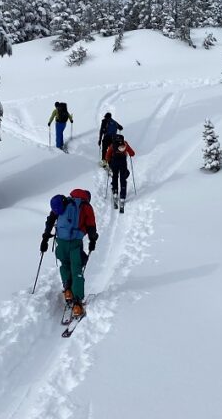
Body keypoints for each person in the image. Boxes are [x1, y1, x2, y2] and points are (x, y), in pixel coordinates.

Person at [40, 188, 98, 318]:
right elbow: (91, 226)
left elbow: (50, 219)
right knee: (76, 269)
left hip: (60, 241)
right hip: (75, 242)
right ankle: (77, 303)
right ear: (87, 198)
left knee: (64, 264)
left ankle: (67, 290)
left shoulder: (64, 201)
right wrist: (92, 240)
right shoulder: (86, 206)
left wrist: (45, 237)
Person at [103, 135, 136, 213]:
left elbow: (107, 156)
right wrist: (128, 153)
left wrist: (109, 161)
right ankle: (122, 197)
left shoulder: (112, 145)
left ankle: (115, 193)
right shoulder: (125, 144)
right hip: (123, 163)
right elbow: (132, 153)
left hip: (114, 162)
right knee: (123, 179)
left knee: (114, 177)